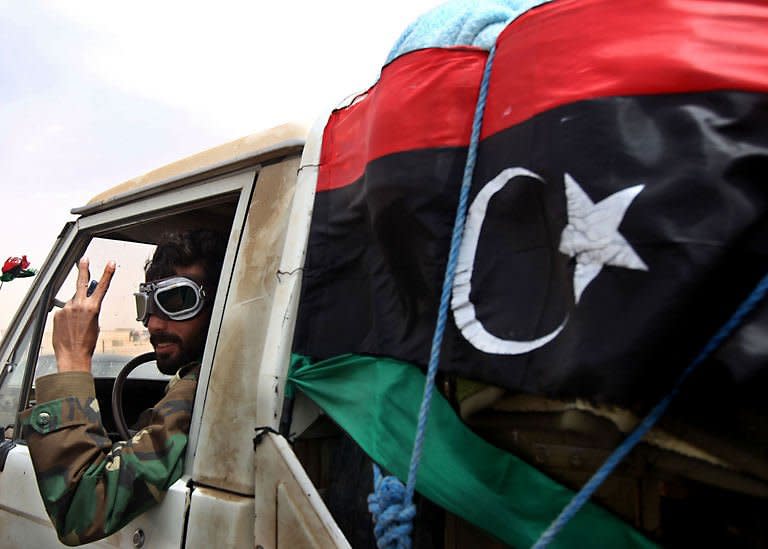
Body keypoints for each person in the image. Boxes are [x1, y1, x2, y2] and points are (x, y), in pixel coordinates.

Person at [20, 229, 227, 545]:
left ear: (220, 304)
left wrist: (74, 360)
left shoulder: (198, 393)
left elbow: (81, 507)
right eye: (148, 304)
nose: (153, 323)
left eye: (175, 300)